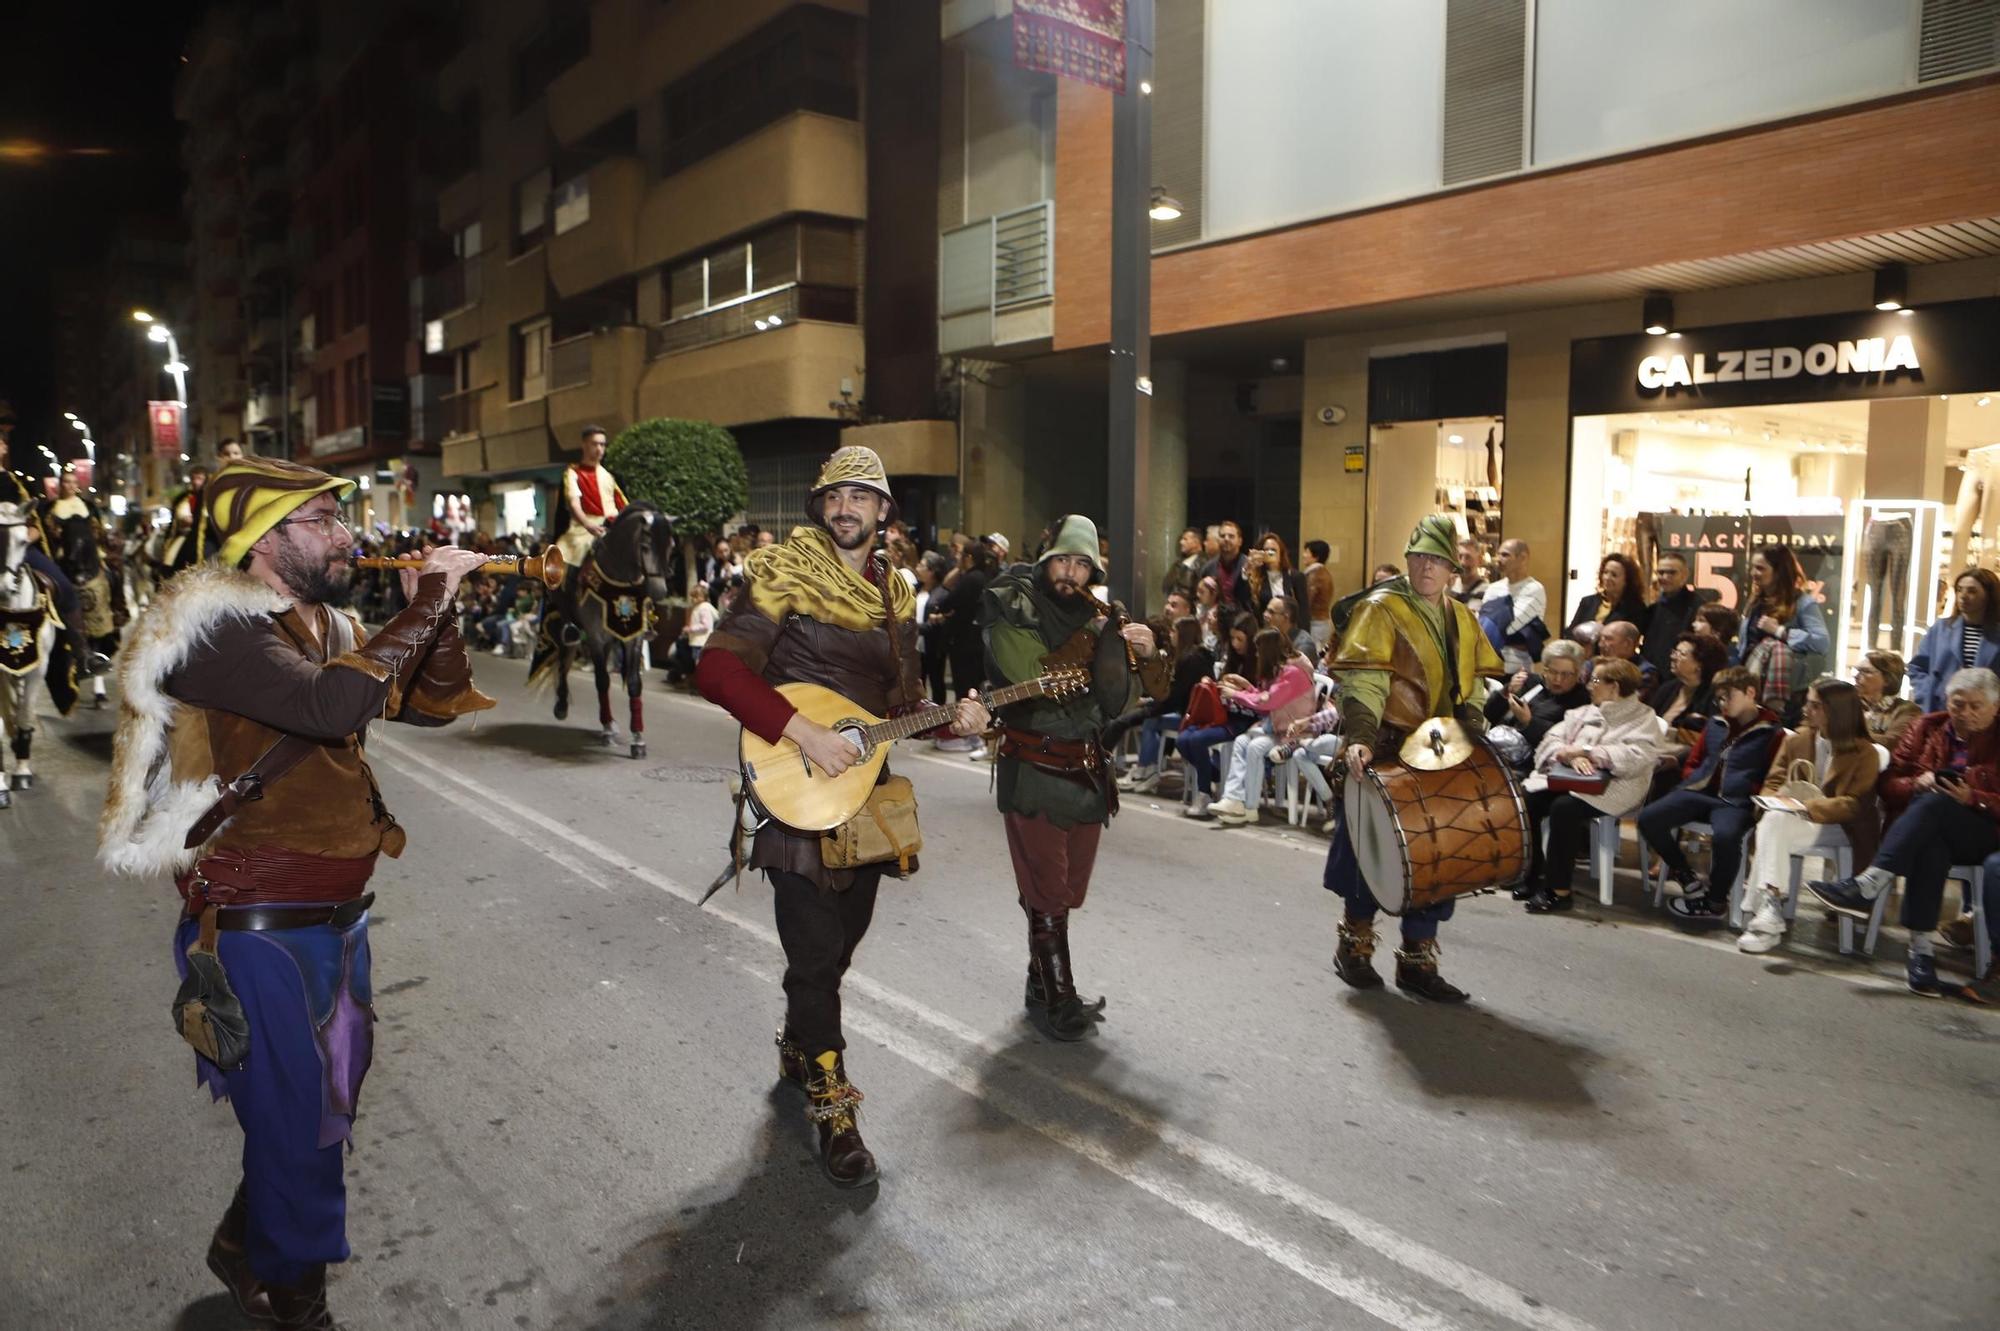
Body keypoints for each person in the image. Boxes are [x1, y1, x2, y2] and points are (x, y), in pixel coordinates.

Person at [97, 457, 493, 1329]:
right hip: (255, 928)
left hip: (334, 920)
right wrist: (423, 598)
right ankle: (294, 1303)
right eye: (325, 520)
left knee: (318, 1110)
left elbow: (431, 701)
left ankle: (244, 1242)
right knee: (306, 1131)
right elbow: (325, 707)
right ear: (270, 538)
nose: (349, 535)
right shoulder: (217, 630)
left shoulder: (323, 617)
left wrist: (444, 605)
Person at [695, 445, 988, 1185]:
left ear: (884, 510)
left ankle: (799, 1044)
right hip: (794, 789)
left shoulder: (896, 597)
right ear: (821, 507)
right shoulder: (783, 571)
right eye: (836, 496)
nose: (847, 507)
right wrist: (805, 733)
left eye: (863, 495)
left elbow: (899, 711)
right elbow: (718, 668)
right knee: (816, 952)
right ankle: (834, 1106)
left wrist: (962, 721)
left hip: (864, 797)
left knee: (840, 947)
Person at [982, 514, 1166, 1040]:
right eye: (1063, 560)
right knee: (1048, 890)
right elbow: (1032, 676)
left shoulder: (1101, 616)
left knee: (1067, 888)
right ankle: (1060, 996)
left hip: (1086, 769)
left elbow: (1131, 694)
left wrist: (1147, 651)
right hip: (1033, 765)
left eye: (1082, 564)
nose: (1070, 573)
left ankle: (1040, 980)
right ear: (1046, 560)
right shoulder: (1010, 601)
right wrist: (1100, 644)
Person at [1326, 516, 1507, 1002]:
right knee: (1371, 850)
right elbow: (1365, 679)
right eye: (1420, 557)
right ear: (1407, 560)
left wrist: (1471, 726)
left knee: (1440, 851)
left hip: (1441, 746)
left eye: (1438, 560)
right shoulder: (1381, 608)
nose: (1427, 567)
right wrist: (1360, 737)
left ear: (1454, 568)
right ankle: (1355, 949)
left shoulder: (1465, 619)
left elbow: (1475, 685)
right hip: (1384, 743)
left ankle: (1417, 962)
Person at [1808, 667, 2000, 996]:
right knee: (1931, 837)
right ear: (1946, 701)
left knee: (1934, 809)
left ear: (1995, 706)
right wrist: (1917, 784)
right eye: (1957, 704)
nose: (1964, 713)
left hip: (1986, 829)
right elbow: (1888, 785)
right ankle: (1920, 956)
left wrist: (1974, 798)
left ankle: (1869, 883)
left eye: (1975, 706)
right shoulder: (1927, 727)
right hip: (1928, 829)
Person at [1732, 678, 1880, 950]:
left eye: (1815, 706)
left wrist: (1806, 807)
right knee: (1774, 819)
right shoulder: (1797, 740)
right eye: (1808, 703)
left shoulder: (1865, 752)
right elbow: (1773, 782)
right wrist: (1774, 799)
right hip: (1794, 820)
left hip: (1843, 828)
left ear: (1836, 711)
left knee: (1774, 824)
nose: (1806, 710)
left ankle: (1768, 910)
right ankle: (1770, 908)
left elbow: (1855, 805)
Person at [1516, 658, 1660, 913]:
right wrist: (1568, 754)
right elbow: (1552, 740)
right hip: (1572, 778)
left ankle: (1558, 891)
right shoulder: (1584, 712)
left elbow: (1638, 757)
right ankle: (1532, 873)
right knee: (1528, 799)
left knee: (1564, 808)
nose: (1589, 686)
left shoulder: (1642, 717)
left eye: (1595, 680)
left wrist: (1590, 752)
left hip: (1615, 788)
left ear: (1614, 686)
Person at [1639, 665, 1783, 915]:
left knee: (1727, 837)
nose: (1722, 703)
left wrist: (1752, 795)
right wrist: (1691, 777)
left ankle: (1716, 900)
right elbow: (1696, 758)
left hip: (1735, 801)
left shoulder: (1772, 732)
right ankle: (1685, 875)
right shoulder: (1717, 723)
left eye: (1729, 696)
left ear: (1750, 692)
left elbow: (1774, 775)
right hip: (1699, 791)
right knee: (1648, 818)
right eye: (1719, 698)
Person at [1207, 634, 1317, 826]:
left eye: (1259, 650)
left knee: (1255, 747)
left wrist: (1236, 694)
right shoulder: (1283, 670)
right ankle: (1233, 799)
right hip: (1278, 728)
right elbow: (1267, 696)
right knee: (1242, 741)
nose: (1257, 654)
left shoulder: (1293, 673)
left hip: (1295, 733)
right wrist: (1247, 687)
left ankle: (1250, 808)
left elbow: (1267, 702)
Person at [1180, 618, 1277, 818]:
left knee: (1197, 740)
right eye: (1232, 638)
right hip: (1222, 714)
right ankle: (1215, 775)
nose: (1235, 644)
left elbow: (1261, 701)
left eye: (1240, 639)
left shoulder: (1261, 663)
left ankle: (1204, 793)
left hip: (1244, 720)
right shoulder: (1232, 659)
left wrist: (1238, 691)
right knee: (1183, 739)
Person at [1735, 545, 1829, 726]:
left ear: (1779, 572)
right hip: (1751, 684)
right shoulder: (1755, 601)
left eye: (1760, 568)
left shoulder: (1803, 603)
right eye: (1753, 567)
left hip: (1788, 693)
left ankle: (1774, 709)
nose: (1754, 573)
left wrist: (1780, 631)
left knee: (1775, 645)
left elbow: (1821, 641)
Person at [1906, 568, 2000, 712]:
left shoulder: (1996, 634)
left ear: (1988, 595)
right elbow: (1917, 667)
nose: (1963, 596)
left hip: (1986, 716)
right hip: (1941, 710)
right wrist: (1928, 693)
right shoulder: (1941, 628)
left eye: (1972, 591)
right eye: (1959, 590)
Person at [1484, 638, 1589, 759]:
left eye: (1566, 674)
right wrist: (1507, 691)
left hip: (1533, 760)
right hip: (1494, 747)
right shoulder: (1531, 682)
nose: (1558, 679)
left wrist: (1528, 721)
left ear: (1577, 674)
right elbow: (1489, 714)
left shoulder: (1582, 700)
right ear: (1545, 670)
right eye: (1553, 672)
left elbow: (1564, 738)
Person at [553, 425, 628, 576]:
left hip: (612, 527)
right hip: (583, 529)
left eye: (602, 444)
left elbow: (624, 506)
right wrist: (588, 525)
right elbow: (574, 505)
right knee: (559, 557)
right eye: (595, 444)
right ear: (584, 445)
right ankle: (568, 592)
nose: (600, 449)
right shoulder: (573, 473)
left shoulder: (610, 477)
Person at [1478, 538, 1549, 669]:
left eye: (1505, 555)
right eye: (1498, 554)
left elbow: (1509, 625)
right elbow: (1480, 626)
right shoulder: (1493, 588)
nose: (1498, 559)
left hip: (1517, 670)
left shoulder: (1534, 589)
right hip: (1488, 666)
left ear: (1523, 558)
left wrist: (1491, 623)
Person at [1640, 551, 1703, 678]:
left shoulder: (1699, 607)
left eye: (1672, 572)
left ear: (1685, 575)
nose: (1665, 577)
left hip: (1682, 679)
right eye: (1661, 572)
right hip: (1651, 680)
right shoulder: (1652, 609)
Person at [1854, 648, 1922, 748]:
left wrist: (1846, 735)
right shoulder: (1852, 705)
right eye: (1858, 671)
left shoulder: (1907, 710)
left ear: (1887, 679)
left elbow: (1892, 742)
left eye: (1866, 671)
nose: (1856, 676)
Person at [1566, 553, 1647, 635]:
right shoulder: (1588, 602)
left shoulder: (1635, 608)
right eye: (1605, 572)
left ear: (1627, 581)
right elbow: (1571, 632)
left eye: (1614, 575)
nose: (1607, 578)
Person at [1201, 520, 1257, 615]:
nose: (1226, 539)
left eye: (1231, 536)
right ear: (1218, 540)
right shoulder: (1208, 567)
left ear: (1240, 541)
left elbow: (1251, 597)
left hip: (1242, 620)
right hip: (1216, 619)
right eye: (1222, 536)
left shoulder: (1249, 565)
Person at [1247, 531, 1307, 617]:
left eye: (1273, 550)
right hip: (1265, 626)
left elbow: (1304, 610)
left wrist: (1303, 630)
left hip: (1289, 627)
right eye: (1265, 550)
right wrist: (1249, 568)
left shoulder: (1295, 577)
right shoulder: (1256, 576)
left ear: (1281, 553)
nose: (1269, 553)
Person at [665, 582, 715, 684]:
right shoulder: (698, 607)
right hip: (696, 641)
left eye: (697, 597)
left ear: (703, 597)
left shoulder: (704, 608)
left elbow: (706, 626)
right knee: (697, 662)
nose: (693, 599)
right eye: (693, 597)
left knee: (700, 663)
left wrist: (691, 629)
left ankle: (703, 684)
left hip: (702, 641)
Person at [1593, 619, 1659, 693]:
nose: (1600, 644)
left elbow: (1633, 699)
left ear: (1627, 643)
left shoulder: (1644, 672)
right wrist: (1596, 681)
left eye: (1608, 639)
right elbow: (1594, 683)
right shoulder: (1594, 663)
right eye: (1601, 639)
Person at [1302, 539, 1335, 647]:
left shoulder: (1314, 575)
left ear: (1315, 556)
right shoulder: (1324, 572)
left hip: (1315, 624)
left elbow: (1306, 601)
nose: (1304, 555)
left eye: (1307, 552)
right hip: (1323, 622)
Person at [1263, 594, 1318, 660]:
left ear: (1286, 617)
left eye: (1271, 612)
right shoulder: (1270, 638)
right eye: (1266, 610)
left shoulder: (1303, 645)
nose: (1265, 615)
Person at [1162, 526, 1204, 605]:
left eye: (1185, 539)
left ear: (1196, 542)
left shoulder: (1203, 563)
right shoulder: (1178, 563)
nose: (1181, 542)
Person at [1450, 537, 1488, 604]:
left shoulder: (1487, 592)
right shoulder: (1450, 586)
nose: (1462, 563)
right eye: (1460, 556)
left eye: (1468, 557)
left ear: (1479, 560)